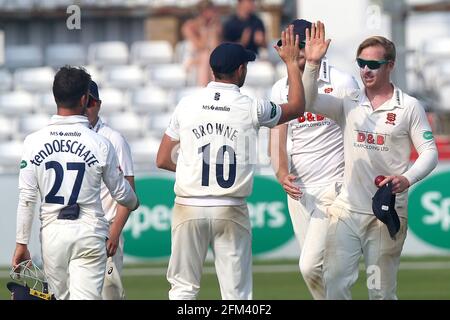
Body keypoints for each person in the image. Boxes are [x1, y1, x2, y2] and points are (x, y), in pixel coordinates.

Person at [156, 25, 308, 300]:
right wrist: (291, 65)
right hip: (230, 207)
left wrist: (191, 170)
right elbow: (297, 106)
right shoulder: (252, 106)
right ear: (239, 71)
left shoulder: (186, 104)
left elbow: (163, 159)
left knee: (182, 291)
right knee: (236, 295)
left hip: (189, 206)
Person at [302, 23, 438, 299]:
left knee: (380, 293)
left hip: (385, 213)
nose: (366, 70)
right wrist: (313, 64)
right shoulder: (348, 100)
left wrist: (407, 178)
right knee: (335, 284)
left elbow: (430, 152)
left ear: (391, 65)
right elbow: (307, 101)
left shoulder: (408, 106)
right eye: (361, 63)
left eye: (373, 64)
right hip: (347, 209)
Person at [12, 66, 139, 300]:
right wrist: (133, 201)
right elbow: (123, 194)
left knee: (60, 297)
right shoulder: (101, 143)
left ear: (55, 97)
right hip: (90, 232)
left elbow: (27, 199)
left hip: (53, 234)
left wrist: (21, 242)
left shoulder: (33, 142)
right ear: (84, 98)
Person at [269, 19, 359, 300]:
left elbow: (355, 133)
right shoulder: (279, 88)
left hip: (334, 187)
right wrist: (281, 172)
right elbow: (277, 139)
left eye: (295, 44)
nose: (289, 52)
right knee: (319, 271)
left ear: (308, 45)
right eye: (286, 45)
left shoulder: (342, 82)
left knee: (309, 266)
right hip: (299, 191)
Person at [85, 80, 135, 300]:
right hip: (77, 230)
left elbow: (129, 190)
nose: (88, 107)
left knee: (109, 295)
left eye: (92, 102)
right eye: (84, 102)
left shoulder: (114, 139)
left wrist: (114, 233)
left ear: (99, 104)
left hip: (106, 231)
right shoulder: (70, 137)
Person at [181, 0, 222, 86]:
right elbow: (200, 46)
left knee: (209, 57)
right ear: (204, 12)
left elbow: (216, 48)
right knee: (206, 57)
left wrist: (213, 31)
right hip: (192, 59)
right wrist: (205, 30)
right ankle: (204, 88)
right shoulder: (189, 26)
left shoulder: (215, 26)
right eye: (212, 11)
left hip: (207, 59)